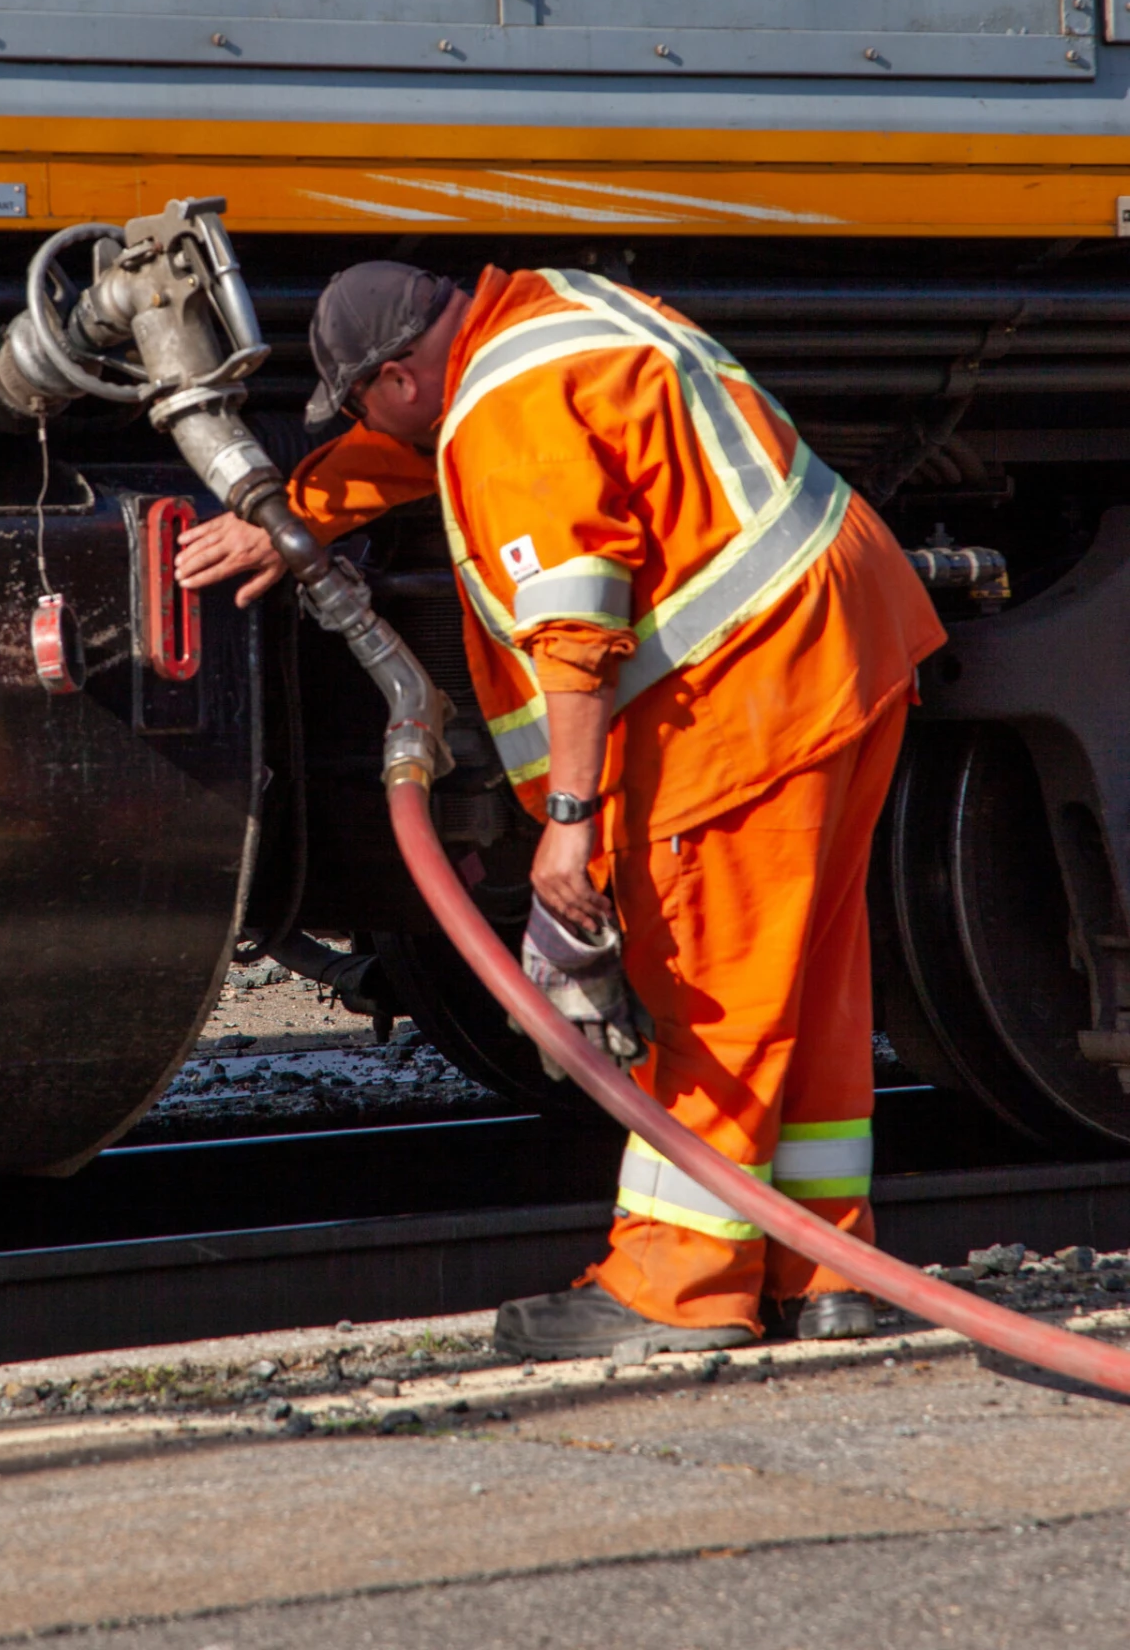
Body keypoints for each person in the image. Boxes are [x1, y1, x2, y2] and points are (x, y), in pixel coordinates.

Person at [175, 259, 945, 1361]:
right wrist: (293, 513)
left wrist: (569, 823)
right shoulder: (552, 312)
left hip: (741, 706)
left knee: (706, 998)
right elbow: (409, 451)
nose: (358, 421)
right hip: (841, 654)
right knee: (805, 982)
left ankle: (679, 1287)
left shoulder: (503, 415)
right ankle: (825, 1267)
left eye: (356, 402)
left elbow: (574, 629)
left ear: (398, 375)